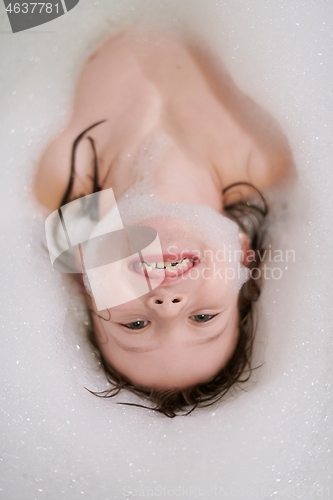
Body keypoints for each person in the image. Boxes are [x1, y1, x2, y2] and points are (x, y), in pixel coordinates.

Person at [33, 27, 295, 417]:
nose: (167, 306)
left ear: (88, 274)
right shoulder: (269, 152)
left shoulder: (50, 174)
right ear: (242, 256)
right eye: (203, 318)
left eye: (135, 325)